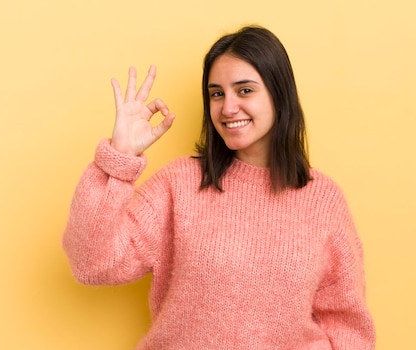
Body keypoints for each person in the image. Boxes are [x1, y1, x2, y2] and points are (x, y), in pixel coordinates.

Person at [63, 25, 376, 349]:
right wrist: (118, 158)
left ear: (278, 94)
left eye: (244, 90)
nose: (227, 108)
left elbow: (347, 327)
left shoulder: (323, 201)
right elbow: (92, 264)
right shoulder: (179, 185)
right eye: (216, 93)